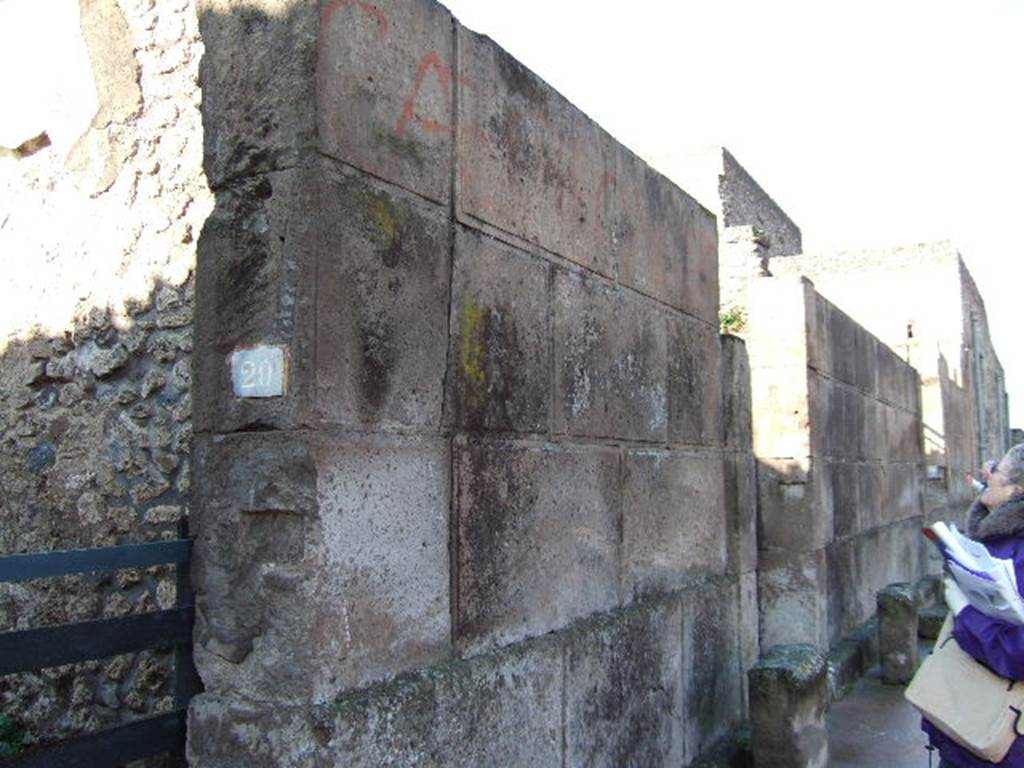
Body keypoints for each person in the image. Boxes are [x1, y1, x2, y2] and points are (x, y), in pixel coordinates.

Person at [924, 443, 1024, 767]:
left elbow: (1018, 652)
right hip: (966, 727)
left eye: (996, 469)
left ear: (1016, 489)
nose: (988, 472)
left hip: (998, 739)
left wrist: (965, 611)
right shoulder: (999, 535)